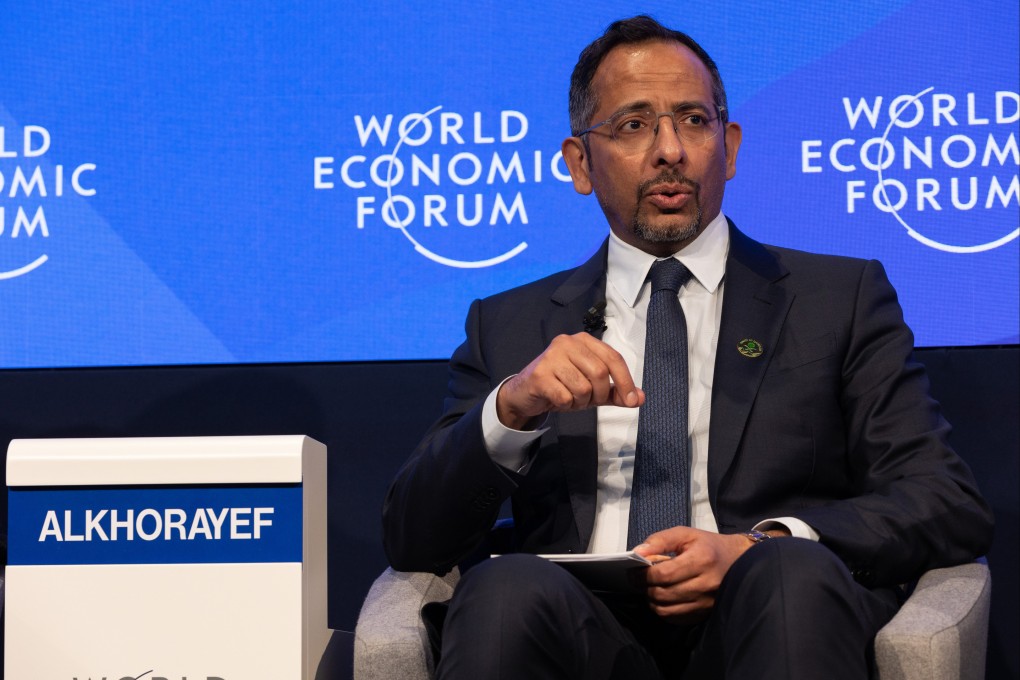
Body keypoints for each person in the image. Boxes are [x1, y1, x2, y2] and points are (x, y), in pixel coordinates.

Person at [382, 15, 993, 680]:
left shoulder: (837, 299)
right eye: (634, 125)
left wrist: (763, 544)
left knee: (788, 574)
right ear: (580, 163)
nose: (670, 149)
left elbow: (944, 500)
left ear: (728, 148)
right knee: (503, 589)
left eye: (694, 121)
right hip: (580, 636)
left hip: (769, 621)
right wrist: (511, 410)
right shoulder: (511, 325)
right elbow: (415, 539)